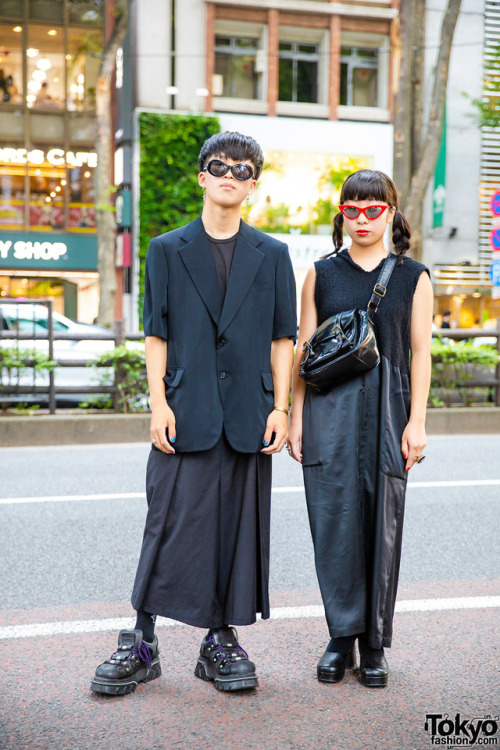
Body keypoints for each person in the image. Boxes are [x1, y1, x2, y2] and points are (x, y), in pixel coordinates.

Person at [91, 131, 297, 696]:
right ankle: (140, 639)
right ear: (202, 177)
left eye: (243, 168)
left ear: (253, 186)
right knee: (168, 523)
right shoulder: (165, 248)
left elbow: (285, 339)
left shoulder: (274, 255)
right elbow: (156, 333)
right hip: (185, 409)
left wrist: (280, 407)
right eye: (219, 164)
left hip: (250, 414)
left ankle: (220, 640)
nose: (230, 173)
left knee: (236, 528)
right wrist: (157, 403)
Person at [288, 169, 433, 688]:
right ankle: (340, 637)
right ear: (342, 214)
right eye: (353, 209)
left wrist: (417, 422)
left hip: (391, 405)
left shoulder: (414, 275)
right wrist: (295, 416)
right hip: (329, 406)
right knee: (333, 521)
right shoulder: (321, 273)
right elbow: (305, 352)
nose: (363, 218)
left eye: (374, 209)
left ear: (391, 213)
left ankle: (373, 642)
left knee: (381, 522)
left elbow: (421, 353)